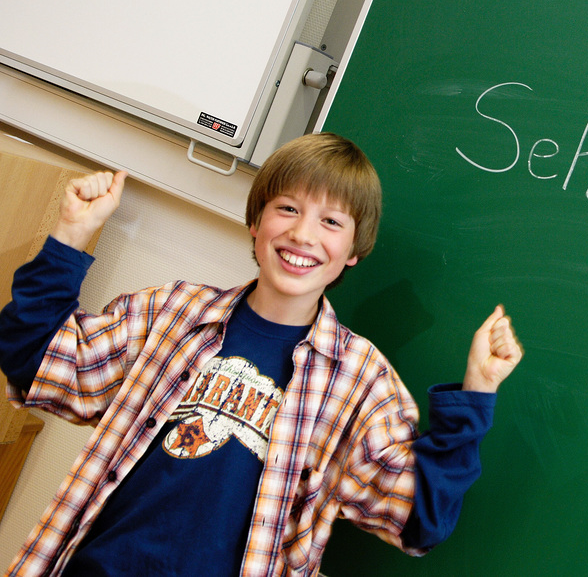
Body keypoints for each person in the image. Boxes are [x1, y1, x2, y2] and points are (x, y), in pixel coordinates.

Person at [0, 133, 523, 576]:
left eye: (331, 223)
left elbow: (418, 520)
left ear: (355, 251)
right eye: (288, 209)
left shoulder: (360, 381)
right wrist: (73, 235)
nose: (302, 234)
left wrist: (476, 395)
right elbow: (34, 362)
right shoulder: (172, 312)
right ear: (256, 222)